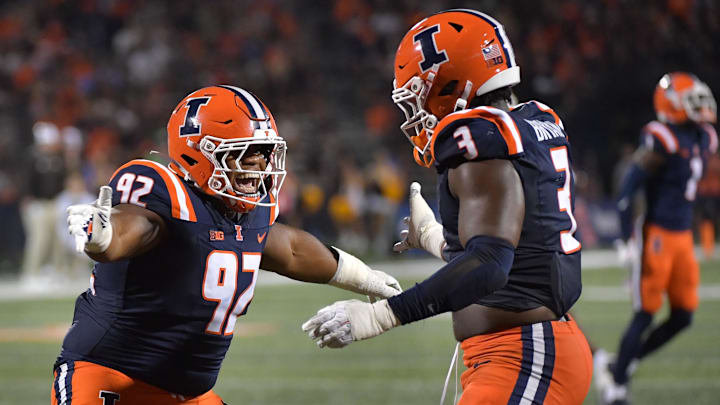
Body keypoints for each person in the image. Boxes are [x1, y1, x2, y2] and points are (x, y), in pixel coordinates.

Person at [302, 9, 592, 405]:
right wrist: (438, 238)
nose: (416, 113)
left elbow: (490, 263)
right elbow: (523, 245)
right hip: (526, 348)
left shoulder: (478, 136)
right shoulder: (531, 122)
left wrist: (380, 316)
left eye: (418, 95)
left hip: (524, 354)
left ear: (452, 82)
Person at [53, 85, 402, 405]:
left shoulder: (248, 214)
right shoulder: (165, 194)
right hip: (110, 378)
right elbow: (131, 230)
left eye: (264, 153)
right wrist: (103, 236)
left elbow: (291, 248)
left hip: (189, 395)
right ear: (197, 155)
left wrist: (364, 277)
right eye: (245, 154)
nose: (260, 165)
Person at [595, 72, 717, 405]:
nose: (702, 106)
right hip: (657, 235)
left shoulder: (705, 136)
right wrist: (625, 241)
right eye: (692, 100)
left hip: (682, 236)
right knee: (646, 313)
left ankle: (619, 363)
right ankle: (616, 387)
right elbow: (626, 192)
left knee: (684, 316)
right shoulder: (661, 138)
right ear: (672, 105)